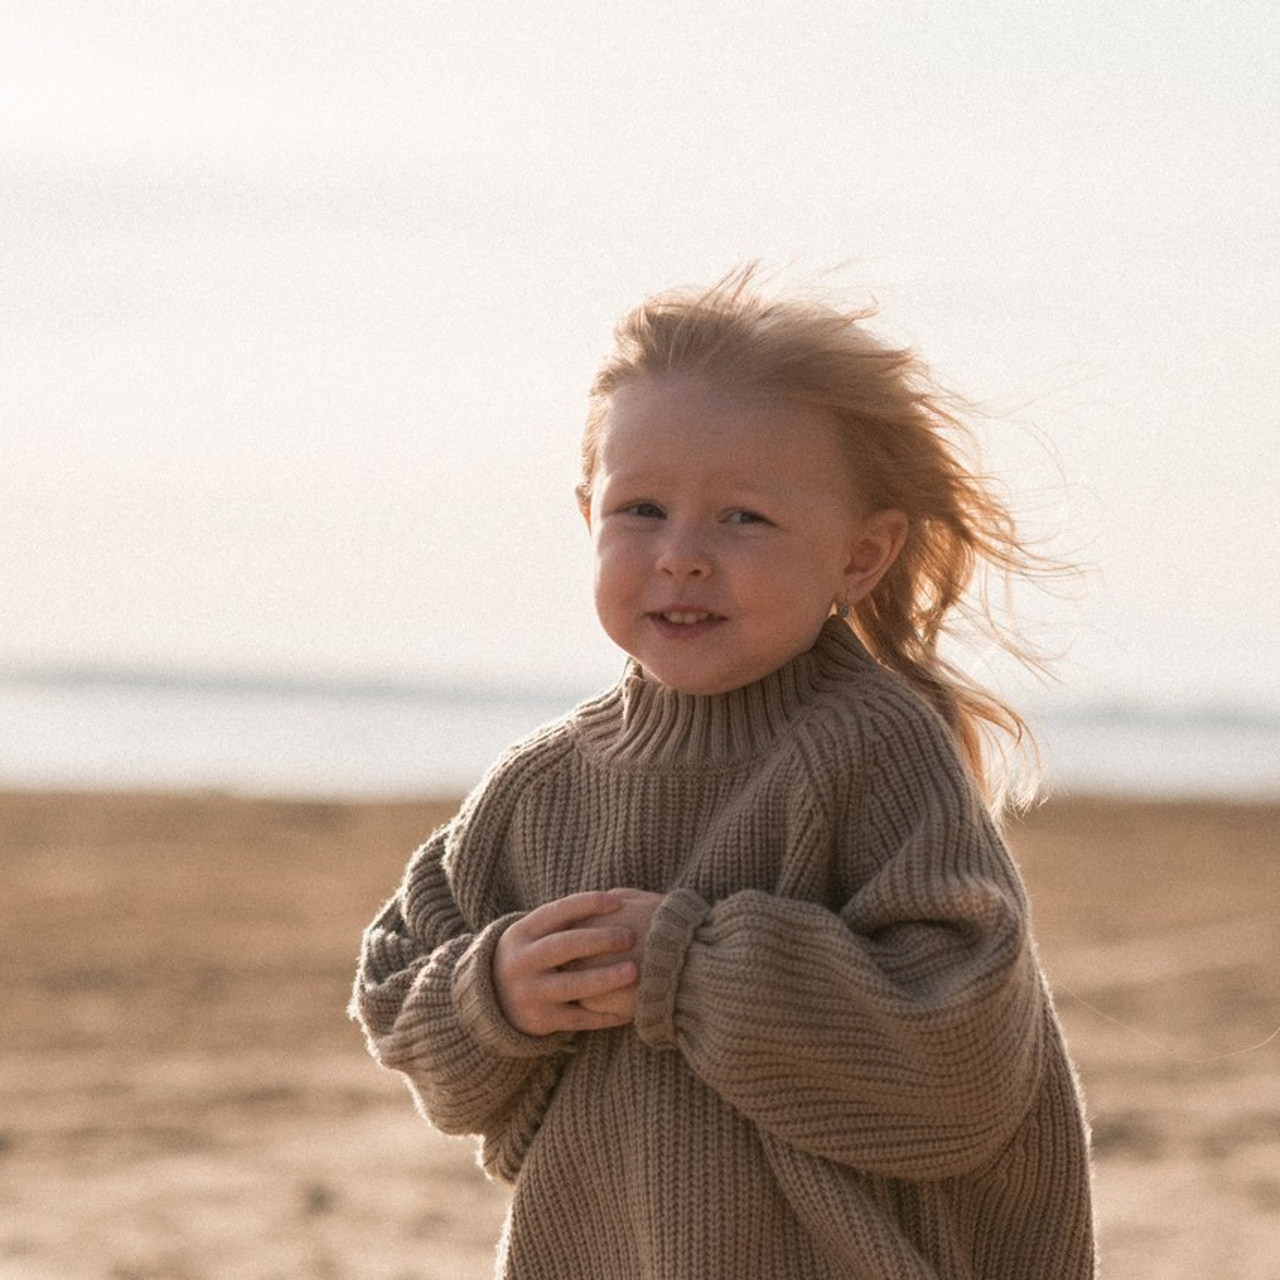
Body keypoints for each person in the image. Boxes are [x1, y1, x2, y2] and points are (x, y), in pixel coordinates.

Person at [351, 270, 1096, 1279]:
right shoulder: (542, 782)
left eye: (743, 517)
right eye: (641, 508)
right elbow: (402, 991)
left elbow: (962, 1058)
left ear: (859, 557)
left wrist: (691, 966)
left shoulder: (871, 746)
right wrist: (495, 992)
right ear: (586, 516)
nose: (682, 555)